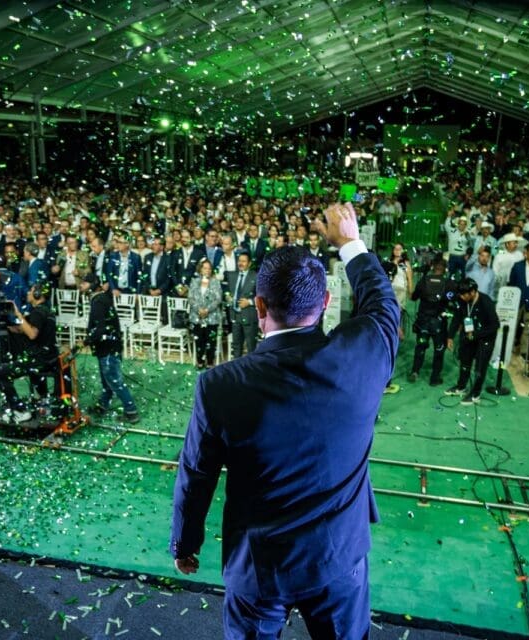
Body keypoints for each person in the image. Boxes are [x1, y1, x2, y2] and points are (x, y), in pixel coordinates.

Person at [170, 202, 399, 639]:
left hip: (260, 565)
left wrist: (185, 542)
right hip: (337, 559)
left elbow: (196, 475)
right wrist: (350, 243)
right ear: (326, 303)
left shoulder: (220, 385)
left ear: (259, 305)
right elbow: (383, 303)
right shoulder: (365, 353)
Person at [0, 283, 59, 423]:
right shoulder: (45, 310)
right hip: (47, 357)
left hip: (38, 359)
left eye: (31, 291)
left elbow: (32, 334)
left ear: (37, 295)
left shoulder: (38, 312)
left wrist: (18, 314)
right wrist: (9, 326)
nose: (28, 293)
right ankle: (43, 401)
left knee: (0, 374)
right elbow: (25, 329)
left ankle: (20, 411)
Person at [80, 273, 140, 422]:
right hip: (107, 346)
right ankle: (103, 405)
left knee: (114, 381)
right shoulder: (101, 298)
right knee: (106, 380)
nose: (81, 286)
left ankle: (131, 411)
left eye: (84, 283)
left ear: (93, 285)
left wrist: (87, 341)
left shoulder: (99, 302)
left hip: (108, 348)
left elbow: (100, 328)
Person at [445, 277, 500, 405]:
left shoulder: (486, 302)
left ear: (473, 292)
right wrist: (450, 336)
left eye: (464, 294)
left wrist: (476, 334)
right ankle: (461, 387)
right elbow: (457, 318)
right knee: (465, 363)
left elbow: (495, 325)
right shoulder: (462, 300)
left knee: (480, 368)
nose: (461, 297)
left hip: (485, 339)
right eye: (460, 294)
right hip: (469, 336)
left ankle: (475, 394)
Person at [408, 256, 456, 386]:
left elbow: (414, 297)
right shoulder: (449, 284)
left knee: (421, 346)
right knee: (439, 349)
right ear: (445, 269)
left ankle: (415, 371)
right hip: (439, 323)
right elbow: (453, 301)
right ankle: (434, 378)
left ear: (433, 267)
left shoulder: (424, 280)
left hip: (423, 321)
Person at [188, 259, 222, 369]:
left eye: (209, 268)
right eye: (205, 268)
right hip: (197, 316)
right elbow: (190, 298)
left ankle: (210, 362)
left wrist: (207, 310)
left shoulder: (215, 282)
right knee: (199, 340)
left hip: (211, 317)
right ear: (200, 269)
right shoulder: (194, 281)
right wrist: (199, 310)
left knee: (211, 341)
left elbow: (218, 299)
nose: (207, 270)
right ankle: (200, 361)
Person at [226, 251, 258, 359]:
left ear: (249, 263)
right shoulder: (232, 276)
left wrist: (249, 302)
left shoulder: (256, 276)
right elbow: (226, 291)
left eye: (244, 261)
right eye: (239, 261)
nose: (241, 263)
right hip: (235, 316)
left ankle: (250, 368)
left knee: (251, 346)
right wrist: (227, 296)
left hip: (249, 316)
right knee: (236, 347)